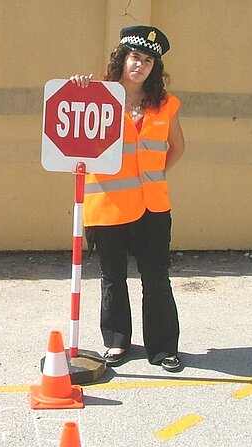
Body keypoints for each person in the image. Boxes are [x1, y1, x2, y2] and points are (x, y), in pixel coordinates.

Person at [70, 25, 185, 372]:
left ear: (155, 68)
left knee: (156, 278)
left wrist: (154, 175)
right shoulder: (98, 96)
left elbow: (177, 147)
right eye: (135, 57)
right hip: (107, 203)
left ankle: (163, 347)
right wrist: (78, 89)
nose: (140, 65)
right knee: (112, 276)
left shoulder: (164, 104)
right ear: (122, 58)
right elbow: (75, 131)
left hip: (152, 205)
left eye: (148, 60)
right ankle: (117, 341)